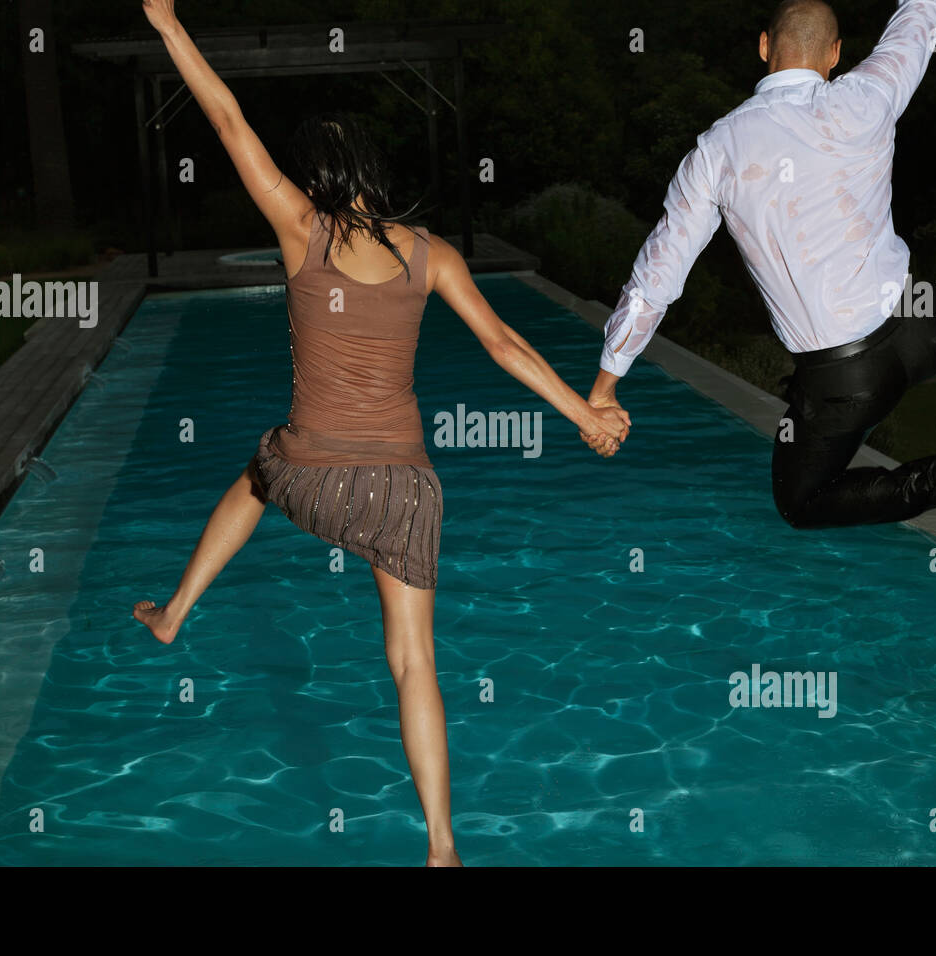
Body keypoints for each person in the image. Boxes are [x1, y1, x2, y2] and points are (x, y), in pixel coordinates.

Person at [131, 0, 631, 867]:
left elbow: (224, 118)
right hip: (405, 494)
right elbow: (505, 345)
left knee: (258, 470)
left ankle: (176, 611)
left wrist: (171, 28)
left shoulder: (300, 230)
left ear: (319, 179)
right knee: (413, 664)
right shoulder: (430, 252)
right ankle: (442, 847)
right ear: (372, 171)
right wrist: (584, 412)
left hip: (311, 475)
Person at [586, 0, 936, 562]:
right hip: (916, 317)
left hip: (842, 376)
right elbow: (919, 18)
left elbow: (659, 273)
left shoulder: (716, 150)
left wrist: (606, 387)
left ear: (762, 47)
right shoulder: (866, 95)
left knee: (802, 501)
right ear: (834, 54)